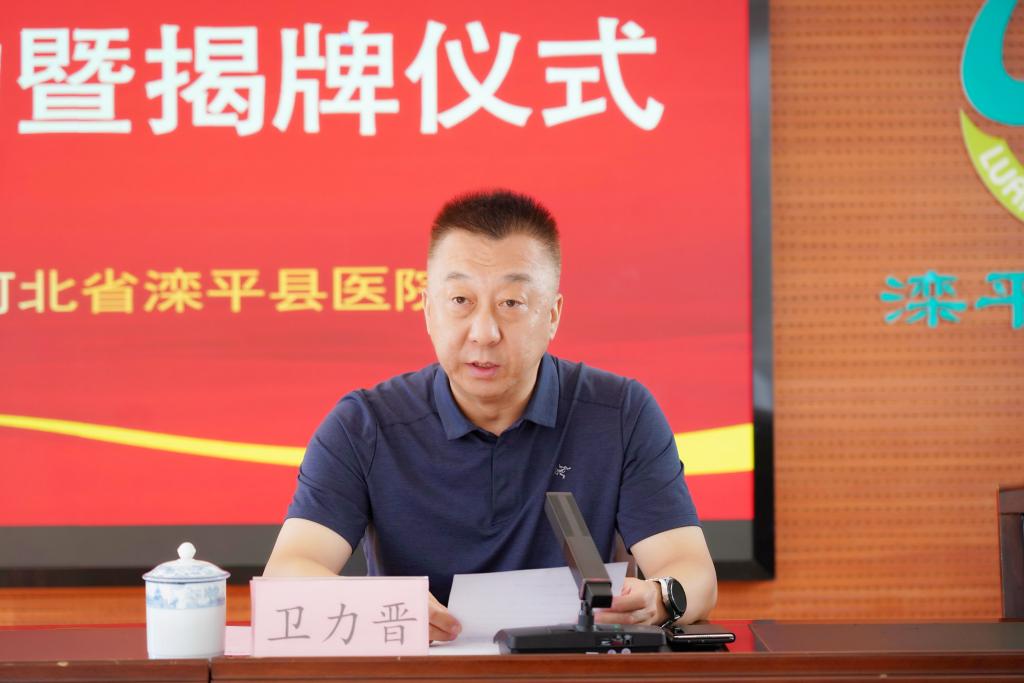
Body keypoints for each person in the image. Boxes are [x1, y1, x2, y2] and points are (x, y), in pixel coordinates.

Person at [264, 189, 717, 641]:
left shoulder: (620, 413)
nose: (484, 333)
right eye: (461, 300)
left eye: (511, 303)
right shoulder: (364, 425)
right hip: (417, 669)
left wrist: (660, 597)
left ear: (552, 315)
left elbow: (691, 571)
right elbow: (288, 570)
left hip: (571, 668)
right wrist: (384, 606)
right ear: (428, 310)